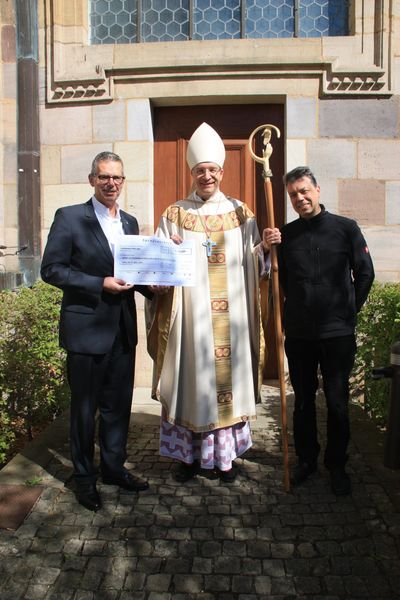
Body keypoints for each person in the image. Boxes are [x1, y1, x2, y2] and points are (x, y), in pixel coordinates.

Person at [146, 122, 271, 484]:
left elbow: (253, 261)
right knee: (189, 383)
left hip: (228, 321)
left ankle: (225, 460)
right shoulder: (174, 215)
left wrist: (265, 247)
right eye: (200, 170)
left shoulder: (240, 212)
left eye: (212, 170)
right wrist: (160, 269)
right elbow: (159, 263)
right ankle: (187, 459)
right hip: (189, 320)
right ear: (192, 172)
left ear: (221, 171)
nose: (206, 175)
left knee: (225, 385)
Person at [41, 151, 154, 511]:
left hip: (122, 330)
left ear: (123, 182)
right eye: (104, 177)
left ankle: (113, 468)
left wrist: (157, 284)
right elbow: (52, 270)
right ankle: (85, 478)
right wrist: (98, 282)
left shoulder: (131, 223)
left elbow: (133, 275)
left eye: (117, 178)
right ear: (92, 179)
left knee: (117, 406)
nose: (111, 184)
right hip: (86, 330)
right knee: (84, 409)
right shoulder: (70, 217)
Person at [265, 166, 375, 495]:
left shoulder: (346, 229)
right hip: (299, 335)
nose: (300, 198)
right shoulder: (285, 236)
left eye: (304, 191)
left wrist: (347, 312)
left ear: (317, 190)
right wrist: (266, 247)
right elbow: (276, 281)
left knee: (338, 403)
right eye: (294, 194)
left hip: (337, 335)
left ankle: (337, 466)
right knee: (302, 402)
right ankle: (306, 461)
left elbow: (365, 273)